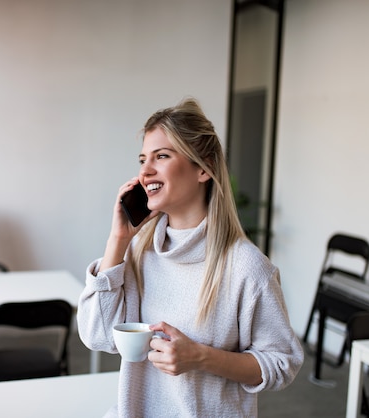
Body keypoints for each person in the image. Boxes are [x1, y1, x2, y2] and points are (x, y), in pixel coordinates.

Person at [77, 97, 303, 417]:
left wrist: (200, 357)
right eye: (143, 159)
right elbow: (96, 336)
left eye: (162, 156)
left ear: (204, 168)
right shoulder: (140, 250)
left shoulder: (247, 268)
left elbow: (282, 363)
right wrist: (118, 239)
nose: (146, 171)